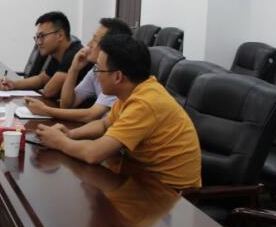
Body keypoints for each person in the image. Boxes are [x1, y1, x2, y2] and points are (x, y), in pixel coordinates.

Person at [35, 34, 201, 191]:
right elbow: (104, 124)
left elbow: (93, 154)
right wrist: (70, 134)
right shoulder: (133, 91)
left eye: (98, 69)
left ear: (118, 77)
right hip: (141, 176)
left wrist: (60, 142)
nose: (96, 75)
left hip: (170, 194)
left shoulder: (145, 103)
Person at [24, 17, 132, 123]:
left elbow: (91, 115)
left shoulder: (117, 77)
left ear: (110, 46)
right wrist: (74, 69)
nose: (89, 44)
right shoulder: (95, 70)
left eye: (95, 40)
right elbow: (67, 104)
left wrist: (45, 110)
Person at [0, 11, 89, 98]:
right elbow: (41, 79)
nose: (38, 42)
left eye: (42, 36)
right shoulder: (58, 55)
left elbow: (49, 91)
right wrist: (13, 84)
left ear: (60, 35)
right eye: (37, 37)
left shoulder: (74, 54)